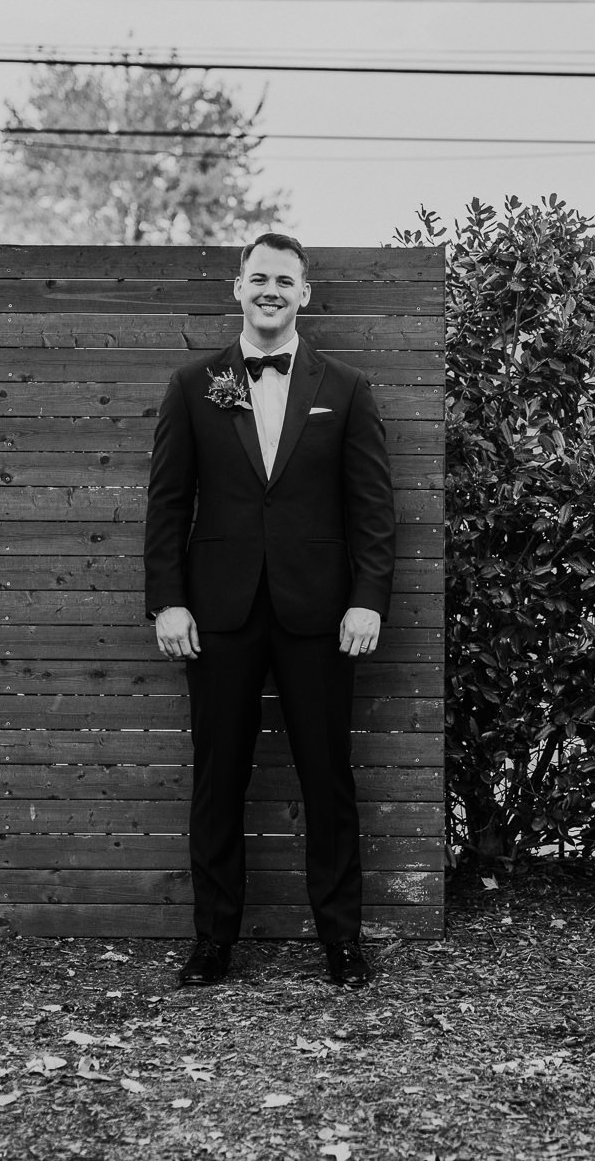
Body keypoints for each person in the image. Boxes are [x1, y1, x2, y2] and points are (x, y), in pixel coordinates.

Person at [144, 232, 397, 990]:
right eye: (259, 278)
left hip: (319, 612)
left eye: (284, 280)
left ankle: (342, 942)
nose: (271, 291)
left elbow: (373, 510)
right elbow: (166, 505)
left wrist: (367, 599)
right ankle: (213, 942)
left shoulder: (346, 388)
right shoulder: (194, 384)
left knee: (329, 779)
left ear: (305, 294)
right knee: (219, 778)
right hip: (217, 613)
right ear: (237, 287)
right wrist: (168, 602)